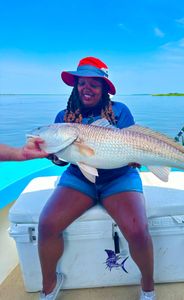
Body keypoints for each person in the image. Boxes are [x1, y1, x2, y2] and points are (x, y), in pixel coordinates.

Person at [38, 57, 155, 300]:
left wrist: (134, 157)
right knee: (47, 223)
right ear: (75, 86)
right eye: (82, 82)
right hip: (79, 177)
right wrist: (53, 157)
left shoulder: (120, 111)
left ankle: (147, 285)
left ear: (103, 88)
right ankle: (49, 285)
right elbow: (62, 160)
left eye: (94, 83)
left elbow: (131, 146)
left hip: (119, 177)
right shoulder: (64, 116)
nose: (87, 88)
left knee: (137, 229)